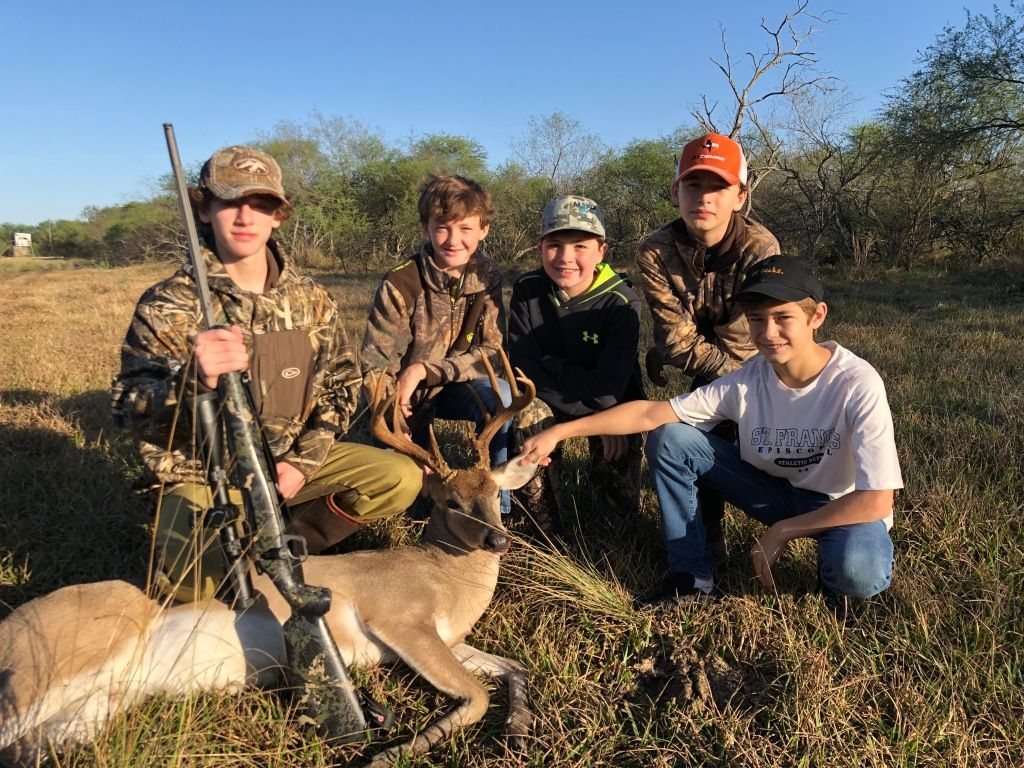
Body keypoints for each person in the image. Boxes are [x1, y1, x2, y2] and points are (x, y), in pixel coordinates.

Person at [111, 145, 421, 603]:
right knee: (189, 593)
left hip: (288, 464)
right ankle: (234, 543)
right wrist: (191, 381)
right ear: (204, 208)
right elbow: (127, 410)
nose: (245, 216)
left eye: (260, 204)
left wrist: (301, 464)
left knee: (400, 478)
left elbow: (339, 386)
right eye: (230, 201)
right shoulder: (169, 302)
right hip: (204, 474)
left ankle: (285, 546)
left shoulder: (311, 298)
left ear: (278, 215)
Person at [519, 255, 900, 609]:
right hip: (775, 493)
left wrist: (783, 531)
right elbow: (652, 413)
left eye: (783, 317)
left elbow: (877, 501)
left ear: (817, 316)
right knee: (671, 438)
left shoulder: (856, 382)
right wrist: (561, 431)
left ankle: (835, 574)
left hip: (843, 505)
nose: (768, 333)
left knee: (856, 575)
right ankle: (692, 577)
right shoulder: (748, 379)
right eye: (756, 319)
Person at [636, 132, 781, 559]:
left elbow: (746, 342)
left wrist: (682, 357)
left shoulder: (761, 249)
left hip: (757, 365)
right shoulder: (655, 250)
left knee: (729, 430)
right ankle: (703, 542)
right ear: (676, 192)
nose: (704, 198)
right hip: (711, 362)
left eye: (718, 187)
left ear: (740, 196)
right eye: (694, 185)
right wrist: (667, 349)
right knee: (685, 431)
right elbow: (674, 336)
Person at [359, 174, 512, 515]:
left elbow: (491, 354)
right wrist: (395, 414)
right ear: (426, 227)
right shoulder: (402, 281)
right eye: (442, 227)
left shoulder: (488, 278)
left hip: (452, 386)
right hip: (403, 397)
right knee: (412, 503)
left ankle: (496, 507)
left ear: (484, 230)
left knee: (503, 394)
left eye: (465, 229)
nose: (453, 239)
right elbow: (377, 364)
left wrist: (426, 371)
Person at [507, 195, 644, 537]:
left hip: (611, 403)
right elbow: (524, 369)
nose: (566, 258)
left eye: (580, 246)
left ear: (601, 251)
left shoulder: (622, 300)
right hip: (559, 398)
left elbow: (610, 384)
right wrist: (585, 414)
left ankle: (616, 534)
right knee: (528, 413)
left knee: (619, 460)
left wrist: (602, 420)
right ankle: (544, 529)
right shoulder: (528, 289)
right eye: (554, 245)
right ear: (540, 248)